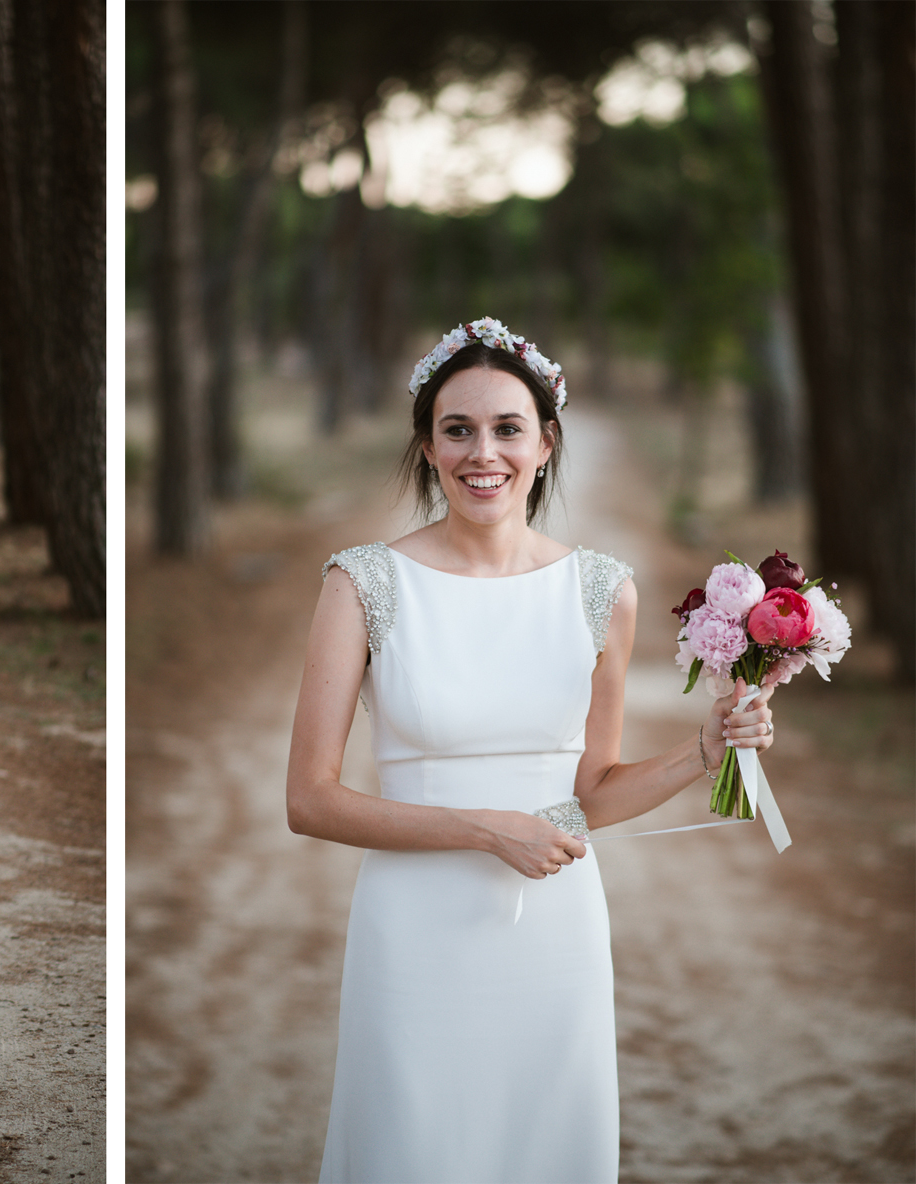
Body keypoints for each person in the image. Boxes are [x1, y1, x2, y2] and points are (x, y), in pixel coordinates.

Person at [286, 319, 776, 1183]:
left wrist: (705, 748)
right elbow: (310, 800)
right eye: (458, 429)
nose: (485, 453)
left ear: (546, 443)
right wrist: (487, 830)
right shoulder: (361, 583)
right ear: (428, 445)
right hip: (413, 931)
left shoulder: (601, 590)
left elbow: (592, 788)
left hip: (555, 932)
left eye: (509, 428)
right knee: (415, 1146)